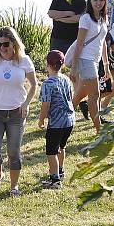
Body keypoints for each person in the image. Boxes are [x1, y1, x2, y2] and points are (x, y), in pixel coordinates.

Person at [0, 27, 37, 197]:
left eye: (6, 44)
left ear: (14, 43)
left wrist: (26, 104)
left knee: (13, 152)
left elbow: (33, 85)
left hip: (16, 113)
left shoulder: (24, 61)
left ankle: (14, 185)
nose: (2, 48)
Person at [70, 0, 109, 132]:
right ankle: (99, 129)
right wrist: (74, 67)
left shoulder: (103, 19)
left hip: (95, 60)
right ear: (90, 2)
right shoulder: (86, 18)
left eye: (101, 0)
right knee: (95, 95)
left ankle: (61, 119)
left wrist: (106, 64)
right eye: (95, 0)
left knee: (81, 94)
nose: (98, 3)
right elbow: (79, 43)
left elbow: (103, 42)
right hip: (85, 59)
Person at [47, 0, 88, 118]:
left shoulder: (80, 1)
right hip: (57, 38)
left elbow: (79, 18)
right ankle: (52, 101)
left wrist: (59, 19)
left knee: (75, 72)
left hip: (73, 40)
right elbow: (50, 13)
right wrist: (68, 13)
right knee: (53, 69)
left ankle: (80, 102)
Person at [38, 50, 75, 189]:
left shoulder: (48, 84)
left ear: (48, 65)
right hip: (70, 120)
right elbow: (70, 97)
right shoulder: (66, 79)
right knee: (61, 147)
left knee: (51, 152)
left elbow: (45, 105)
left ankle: (55, 180)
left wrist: (41, 119)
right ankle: (60, 171)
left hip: (57, 122)